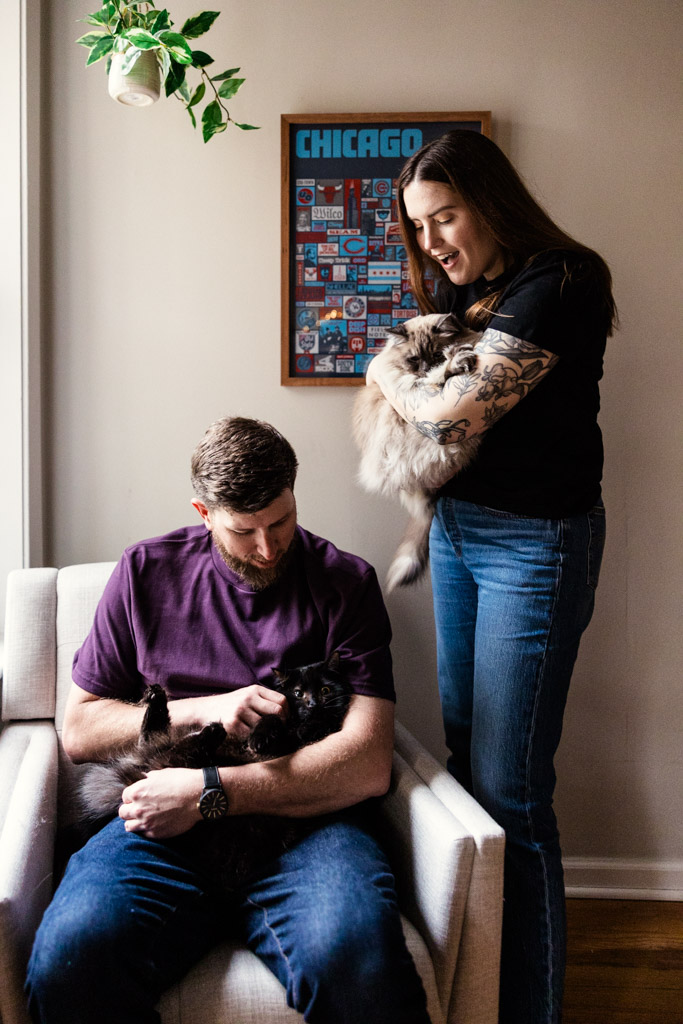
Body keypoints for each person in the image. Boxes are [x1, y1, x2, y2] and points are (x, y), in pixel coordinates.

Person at [26, 416, 431, 1024]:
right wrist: (202, 710)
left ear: (295, 494)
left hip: (304, 824)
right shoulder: (144, 574)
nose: (268, 549)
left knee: (359, 960)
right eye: (245, 531)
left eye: (282, 521)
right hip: (163, 819)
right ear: (204, 511)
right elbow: (80, 729)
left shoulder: (345, 583)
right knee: (71, 958)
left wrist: (212, 795)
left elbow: (370, 760)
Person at [365, 130, 616, 1024]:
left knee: (515, 794)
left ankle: (528, 1009)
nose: (432, 242)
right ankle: (484, 997)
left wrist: (380, 367)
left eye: (445, 216)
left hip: (533, 548)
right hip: (463, 534)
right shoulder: (471, 294)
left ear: (488, 200)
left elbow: (449, 421)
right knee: (471, 775)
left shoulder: (562, 280)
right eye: (418, 227)